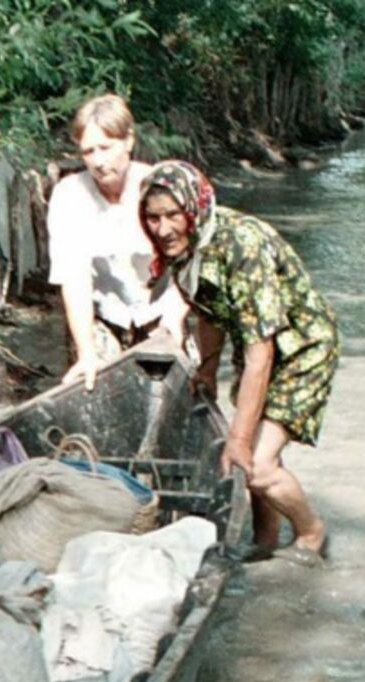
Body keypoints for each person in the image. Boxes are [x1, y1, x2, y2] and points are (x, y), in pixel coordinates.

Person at [138, 160, 340, 567]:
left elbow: (261, 352)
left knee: (257, 465)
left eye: (173, 215)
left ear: (193, 209)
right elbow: (209, 313)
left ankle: (311, 531)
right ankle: (265, 542)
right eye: (154, 218)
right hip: (262, 347)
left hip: (301, 349)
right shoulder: (186, 249)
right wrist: (208, 370)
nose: (164, 229)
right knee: (253, 453)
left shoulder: (240, 246)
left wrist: (238, 440)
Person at [47, 94, 187, 391]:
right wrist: (87, 353)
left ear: (128, 141)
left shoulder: (158, 186)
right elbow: (74, 278)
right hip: (104, 316)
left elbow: (186, 263)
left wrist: (174, 319)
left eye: (106, 148)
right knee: (97, 389)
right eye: (88, 152)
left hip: (160, 308)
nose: (98, 161)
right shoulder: (69, 196)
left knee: (182, 392)